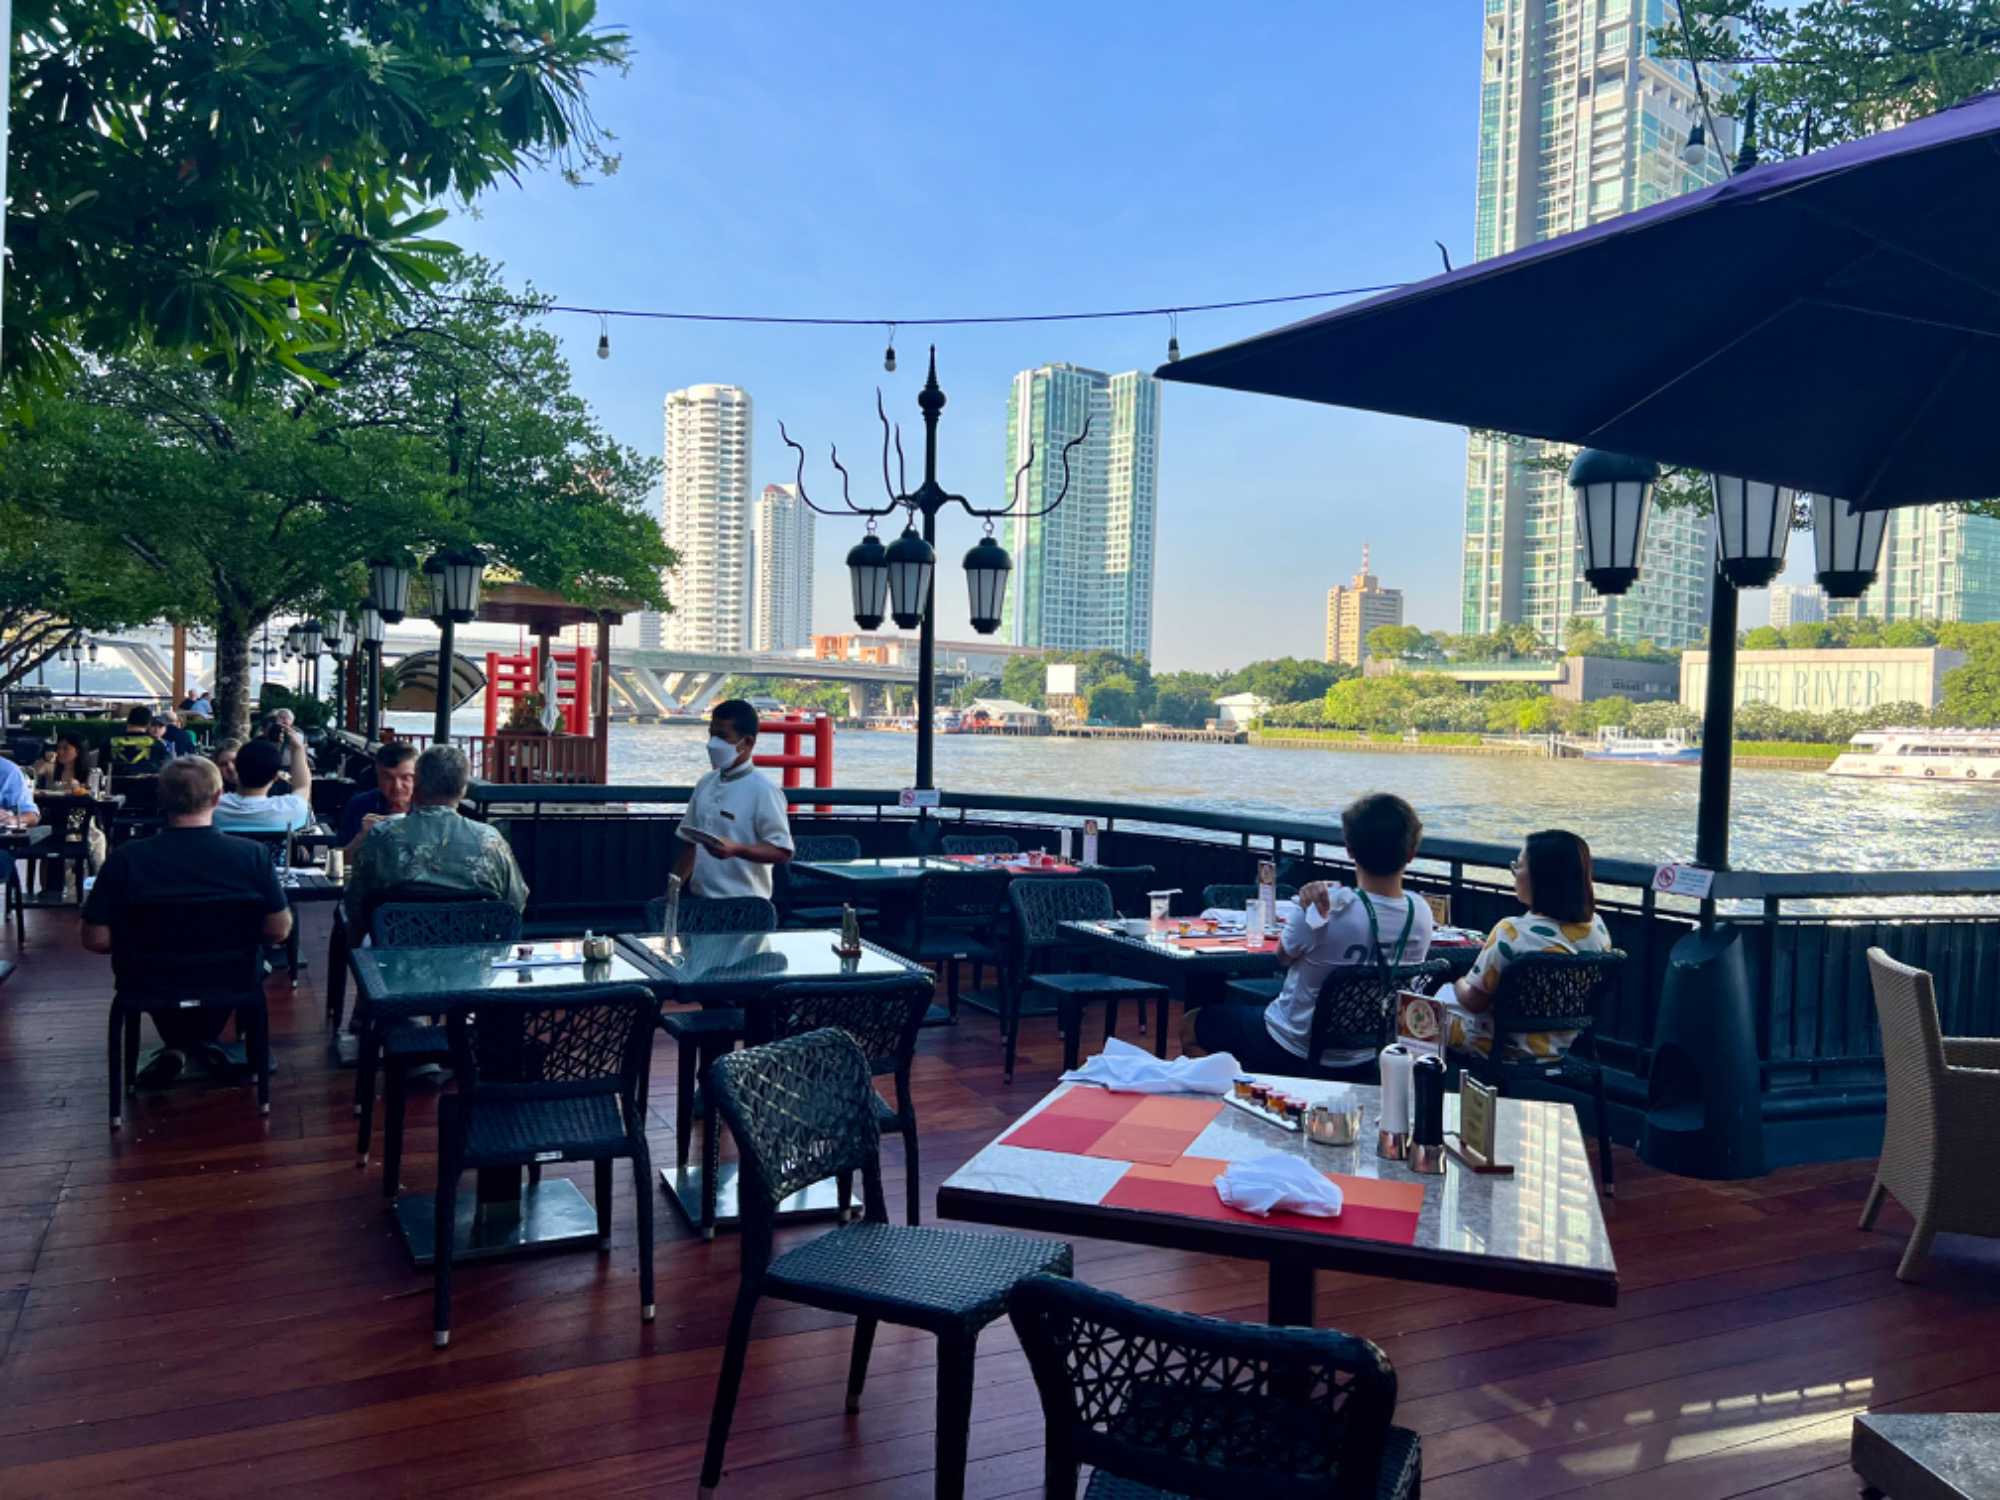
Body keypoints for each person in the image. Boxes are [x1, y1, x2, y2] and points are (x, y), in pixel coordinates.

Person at [1183, 792, 1433, 1074]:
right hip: (1367, 1054)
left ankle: (1226, 1092)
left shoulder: (1323, 907)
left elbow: (1282, 957)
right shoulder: (1422, 914)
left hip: (1291, 1046)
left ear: (1350, 850)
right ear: (1411, 853)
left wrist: (1306, 910)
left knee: (1191, 1024)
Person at [81, 756, 291, 1085]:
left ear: (160, 798)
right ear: (218, 797)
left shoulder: (125, 859)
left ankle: (180, 1045)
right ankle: (200, 1044)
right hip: (230, 978)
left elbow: (95, 939)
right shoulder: (251, 856)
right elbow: (279, 930)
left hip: (148, 980)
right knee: (247, 967)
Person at [1445, 829, 1613, 1062]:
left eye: (1519, 866)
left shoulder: (1511, 932)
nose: (1514, 873)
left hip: (1502, 1047)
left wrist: (1456, 982)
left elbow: (1474, 1001)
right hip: (1565, 1046)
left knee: (1422, 1010)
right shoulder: (1597, 928)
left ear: (1541, 877)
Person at [343, 744, 527, 933]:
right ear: (463, 789)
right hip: (470, 945)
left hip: (397, 945)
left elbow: (356, 904)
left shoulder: (381, 835)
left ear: (417, 784)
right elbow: (515, 903)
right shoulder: (490, 840)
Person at [673, 699, 793, 900]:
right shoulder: (705, 783)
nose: (713, 743)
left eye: (722, 736)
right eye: (711, 734)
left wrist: (738, 849)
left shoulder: (764, 790)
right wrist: (672, 890)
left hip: (746, 902)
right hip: (700, 899)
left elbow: (782, 851)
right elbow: (690, 843)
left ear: (747, 742)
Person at [212, 729, 314, 833]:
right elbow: (303, 786)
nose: (230, 767)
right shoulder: (292, 808)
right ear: (275, 777)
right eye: (223, 764)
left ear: (237, 769)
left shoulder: (211, 809)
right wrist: (298, 748)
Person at [337, 742, 417, 854]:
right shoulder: (359, 805)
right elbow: (340, 858)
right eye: (388, 778)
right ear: (377, 777)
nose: (397, 786)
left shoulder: (430, 809)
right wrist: (362, 837)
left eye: (406, 777)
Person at [107, 707, 174, 774]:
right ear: (148, 724)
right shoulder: (158, 745)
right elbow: (168, 770)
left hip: (113, 780)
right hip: (149, 780)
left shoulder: (109, 743)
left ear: (128, 721)